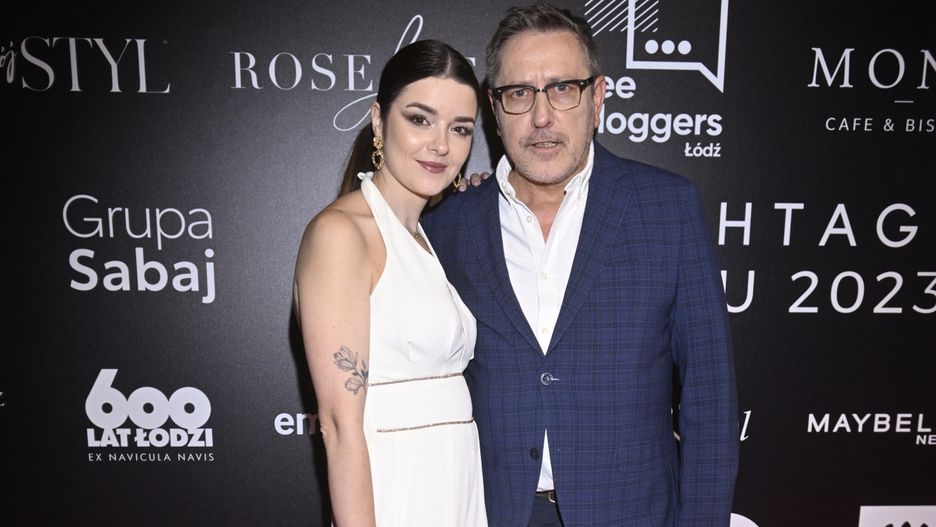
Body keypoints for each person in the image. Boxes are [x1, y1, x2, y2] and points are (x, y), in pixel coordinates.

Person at [423, 4, 739, 526]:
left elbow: (710, 396)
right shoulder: (448, 225)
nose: (541, 117)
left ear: (597, 98)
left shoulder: (668, 208)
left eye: (563, 88)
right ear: (494, 108)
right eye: (519, 93)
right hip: (490, 513)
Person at [293, 40, 486, 526]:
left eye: (460, 128)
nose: (441, 144)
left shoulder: (422, 237)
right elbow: (339, 426)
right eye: (420, 119)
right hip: (396, 490)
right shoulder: (341, 234)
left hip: (454, 485)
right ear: (379, 121)